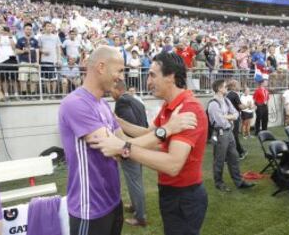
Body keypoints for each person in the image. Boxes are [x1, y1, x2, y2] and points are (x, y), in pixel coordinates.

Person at [58, 46, 195, 235]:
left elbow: (122, 144)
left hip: (112, 202)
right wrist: (167, 130)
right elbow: (112, 149)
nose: (121, 77)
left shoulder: (103, 104)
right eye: (119, 70)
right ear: (101, 67)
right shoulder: (76, 104)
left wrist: (129, 141)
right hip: (89, 208)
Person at [89, 51, 208, 235]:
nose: (148, 82)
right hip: (171, 192)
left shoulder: (188, 109)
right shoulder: (169, 107)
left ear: (171, 77)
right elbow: (149, 134)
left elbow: (173, 165)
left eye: (152, 75)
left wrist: (124, 148)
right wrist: (117, 121)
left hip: (185, 196)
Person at [111, 80, 148, 227]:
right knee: (135, 180)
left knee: (134, 182)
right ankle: (135, 206)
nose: (110, 92)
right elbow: (144, 125)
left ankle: (140, 217)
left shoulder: (121, 101)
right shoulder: (136, 100)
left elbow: (129, 124)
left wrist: (124, 146)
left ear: (118, 89)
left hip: (130, 147)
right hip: (140, 144)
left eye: (112, 90)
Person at [207, 79, 255, 192]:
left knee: (234, 158)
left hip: (229, 133)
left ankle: (239, 182)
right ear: (219, 88)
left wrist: (227, 116)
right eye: (224, 86)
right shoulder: (213, 103)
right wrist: (230, 117)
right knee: (219, 160)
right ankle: (219, 183)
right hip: (221, 133)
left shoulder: (226, 100)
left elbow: (236, 114)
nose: (226, 88)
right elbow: (220, 122)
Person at [16, 23, 39, 98]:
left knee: (34, 80)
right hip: (23, 62)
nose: (29, 31)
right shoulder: (20, 40)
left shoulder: (35, 40)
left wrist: (37, 62)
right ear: (24, 30)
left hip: (33, 62)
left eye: (30, 29)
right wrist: (23, 51)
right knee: (23, 79)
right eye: (27, 29)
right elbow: (16, 51)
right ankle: (24, 95)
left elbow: (37, 52)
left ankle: (32, 95)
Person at [38, 22, 62, 97]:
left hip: (53, 60)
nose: (49, 27)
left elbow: (58, 48)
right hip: (44, 60)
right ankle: (49, 93)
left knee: (53, 78)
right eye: (48, 26)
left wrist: (59, 59)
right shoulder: (41, 37)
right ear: (44, 27)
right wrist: (43, 51)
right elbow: (38, 48)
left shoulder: (56, 37)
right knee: (46, 78)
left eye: (51, 26)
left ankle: (53, 93)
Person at [226, 79, 248, 159]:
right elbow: (240, 106)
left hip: (229, 117)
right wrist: (247, 106)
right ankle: (240, 152)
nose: (239, 86)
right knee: (234, 136)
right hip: (234, 117)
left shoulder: (228, 94)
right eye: (238, 84)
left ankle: (238, 152)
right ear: (233, 86)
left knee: (231, 136)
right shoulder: (234, 94)